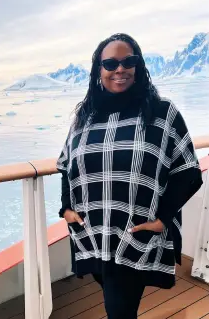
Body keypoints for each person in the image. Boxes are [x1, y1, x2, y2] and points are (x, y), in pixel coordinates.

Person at [56, 33, 203, 319]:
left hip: (135, 236)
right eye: (110, 63)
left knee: (119, 311)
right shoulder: (86, 116)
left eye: (128, 61)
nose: (119, 69)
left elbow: (188, 171)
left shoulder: (162, 112)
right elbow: (66, 165)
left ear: (139, 66)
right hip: (93, 235)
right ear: (99, 70)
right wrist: (66, 208)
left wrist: (163, 216)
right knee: (119, 307)